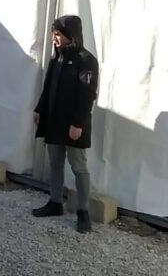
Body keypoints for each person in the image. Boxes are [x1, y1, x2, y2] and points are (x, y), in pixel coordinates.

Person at [32, 14, 99, 234]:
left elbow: (87, 95)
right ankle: (55, 202)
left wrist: (78, 123)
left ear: (71, 34)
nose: (54, 38)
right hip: (54, 121)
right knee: (55, 163)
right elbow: (48, 87)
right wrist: (40, 110)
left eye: (58, 34)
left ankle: (83, 212)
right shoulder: (57, 57)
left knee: (79, 167)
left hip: (74, 124)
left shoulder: (85, 60)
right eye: (53, 34)